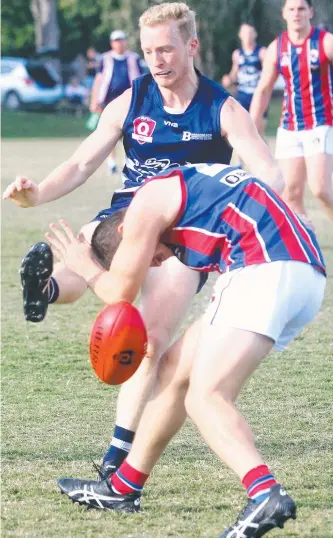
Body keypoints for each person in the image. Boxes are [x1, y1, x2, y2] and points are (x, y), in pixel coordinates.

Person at [3, 2, 284, 485]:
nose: (157, 60)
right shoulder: (131, 100)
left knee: (148, 340)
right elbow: (80, 164)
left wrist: (257, 202)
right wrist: (36, 195)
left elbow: (269, 171)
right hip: (126, 218)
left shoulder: (221, 107)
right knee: (84, 249)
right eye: (149, 51)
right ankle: (46, 291)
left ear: (191, 47)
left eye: (167, 49)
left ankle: (115, 458)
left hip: (181, 237)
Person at [46, 162, 326, 537]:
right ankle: (123, 487)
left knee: (206, 397)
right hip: (299, 270)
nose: (158, 263)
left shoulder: (144, 206)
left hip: (264, 266)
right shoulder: (180, 191)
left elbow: (120, 295)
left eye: (148, 258)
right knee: (174, 369)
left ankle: (265, 493)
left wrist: (84, 267)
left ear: (128, 234)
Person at [250, 0, 333, 220]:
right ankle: (308, 246)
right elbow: (264, 90)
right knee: (291, 195)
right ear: (284, 14)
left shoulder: (325, 42)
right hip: (289, 127)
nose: (297, 14)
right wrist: (251, 126)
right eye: (292, 9)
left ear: (311, 12)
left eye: (301, 9)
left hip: (320, 123)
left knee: (320, 189)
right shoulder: (277, 48)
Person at [89, 29, 144, 173]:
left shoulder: (134, 58)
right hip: (108, 101)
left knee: (130, 134)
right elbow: (99, 79)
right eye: (116, 40)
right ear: (112, 43)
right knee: (110, 133)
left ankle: (130, 162)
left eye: (121, 40)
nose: (119, 43)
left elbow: (141, 78)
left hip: (130, 101)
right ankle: (112, 162)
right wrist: (94, 100)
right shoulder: (105, 58)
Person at [221, 23, 268, 137]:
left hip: (258, 96)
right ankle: (241, 155)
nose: (248, 36)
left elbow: (268, 73)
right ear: (240, 35)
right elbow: (235, 72)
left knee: (256, 134)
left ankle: (263, 153)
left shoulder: (262, 52)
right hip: (242, 96)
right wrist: (229, 79)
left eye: (250, 33)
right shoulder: (237, 54)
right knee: (242, 132)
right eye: (245, 33)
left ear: (255, 34)